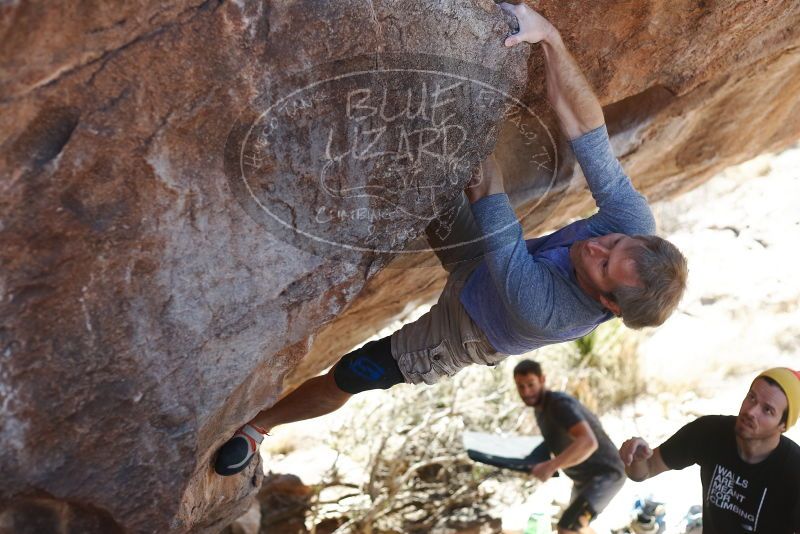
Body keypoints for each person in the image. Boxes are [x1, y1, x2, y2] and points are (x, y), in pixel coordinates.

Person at [214, 2, 688, 476]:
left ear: (610, 305)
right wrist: (549, 38)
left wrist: (468, 112)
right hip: (491, 259)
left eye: (604, 265)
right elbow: (587, 130)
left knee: (354, 373)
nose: (596, 246)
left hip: (465, 330)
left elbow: (486, 185)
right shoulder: (632, 225)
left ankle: (258, 428)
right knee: (425, 163)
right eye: (614, 244)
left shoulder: (546, 310)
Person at [619, 368, 800, 533]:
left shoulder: (794, 470)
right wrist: (636, 459)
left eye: (767, 410)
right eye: (751, 397)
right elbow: (646, 469)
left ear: (783, 425)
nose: (751, 411)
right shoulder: (709, 432)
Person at [514, 359, 625, 533]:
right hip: (582, 479)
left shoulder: (558, 405)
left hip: (606, 474)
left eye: (531, 384)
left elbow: (588, 442)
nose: (526, 392)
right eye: (520, 386)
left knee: (567, 527)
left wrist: (551, 466)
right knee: (577, 526)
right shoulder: (540, 409)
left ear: (542, 380)